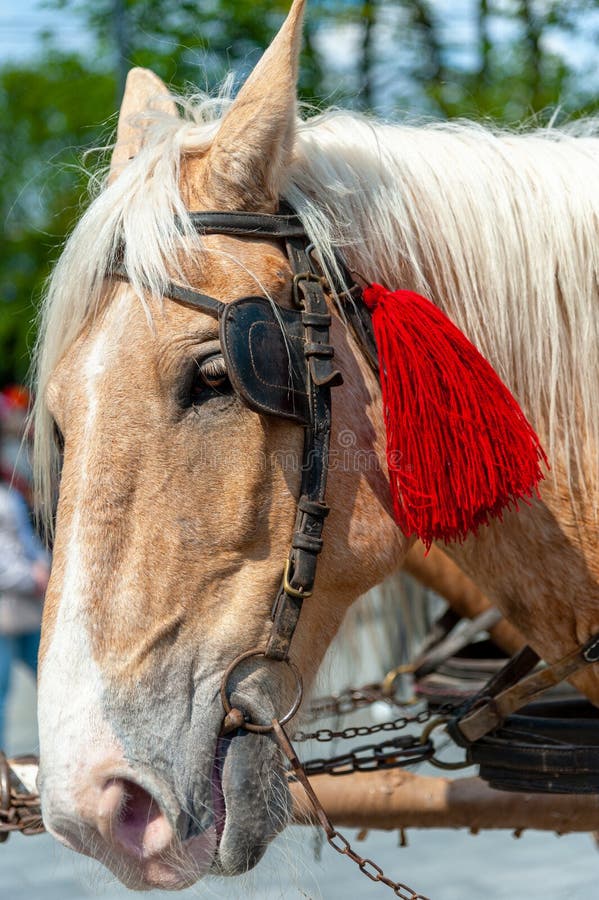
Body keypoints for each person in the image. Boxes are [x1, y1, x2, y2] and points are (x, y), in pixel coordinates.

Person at [0, 387, 50, 749]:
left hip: (27, 611)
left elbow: (26, 540)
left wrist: (47, 567)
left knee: (53, 685)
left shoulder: (10, 489)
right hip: (5, 614)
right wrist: (30, 576)